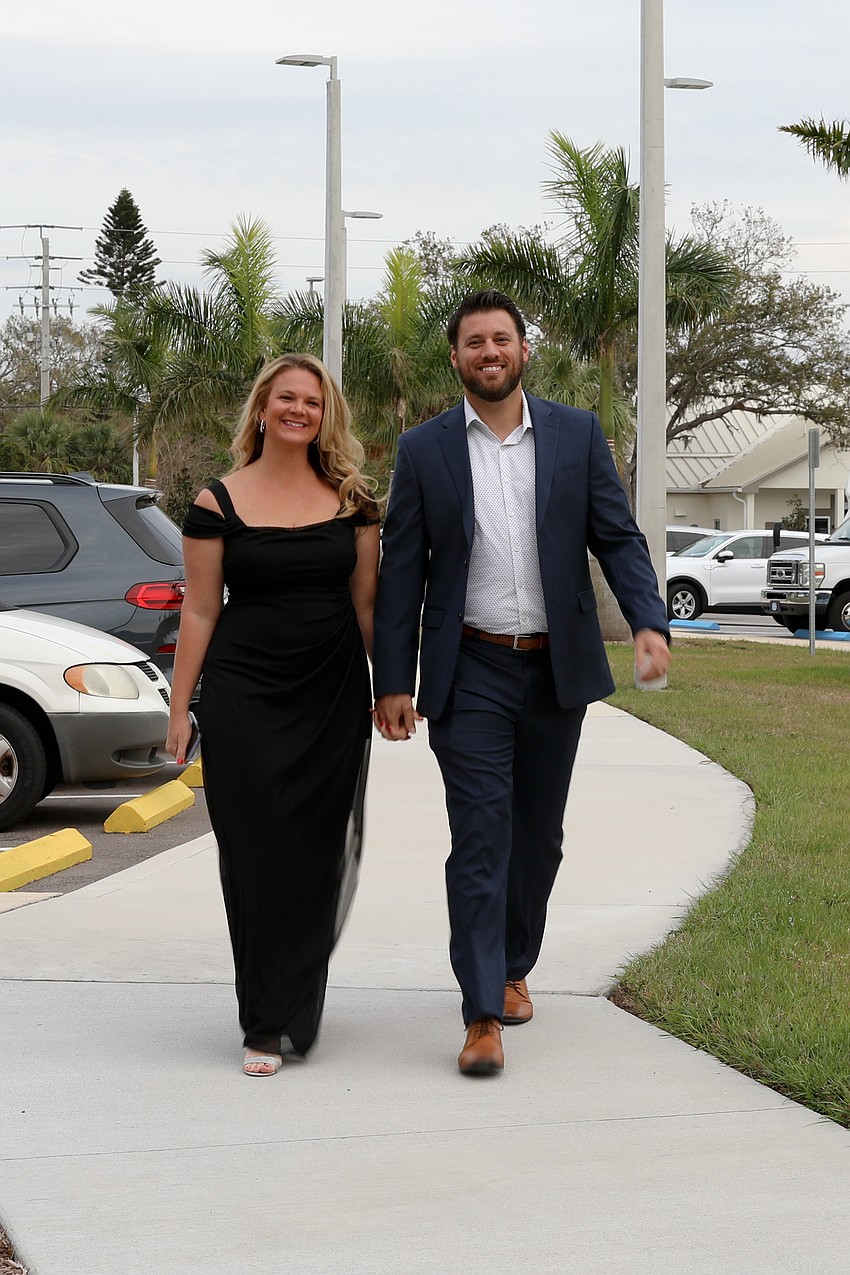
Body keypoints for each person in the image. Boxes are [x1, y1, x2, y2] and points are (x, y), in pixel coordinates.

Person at [372, 291, 670, 1077]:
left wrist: (648, 620)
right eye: (474, 342)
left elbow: (617, 535)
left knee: (537, 837)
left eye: (501, 339)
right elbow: (400, 573)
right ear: (456, 357)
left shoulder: (575, 433)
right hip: (468, 670)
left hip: (554, 670)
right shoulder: (424, 448)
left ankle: (511, 965)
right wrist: (392, 681)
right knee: (480, 836)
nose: (489, 352)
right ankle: (480, 1015)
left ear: (523, 349)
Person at [166, 353, 380, 1077]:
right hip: (243, 694)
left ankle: (295, 1000)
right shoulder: (216, 501)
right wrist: (179, 710)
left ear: (326, 415)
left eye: (312, 402)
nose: (298, 410)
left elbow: (367, 607)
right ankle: (263, 1021)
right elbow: (199, 609)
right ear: (262, 408)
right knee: (255, 852)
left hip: (331, 693)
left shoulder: (352, 499)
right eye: (286, 398)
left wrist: (393, 690)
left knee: (314, 854)